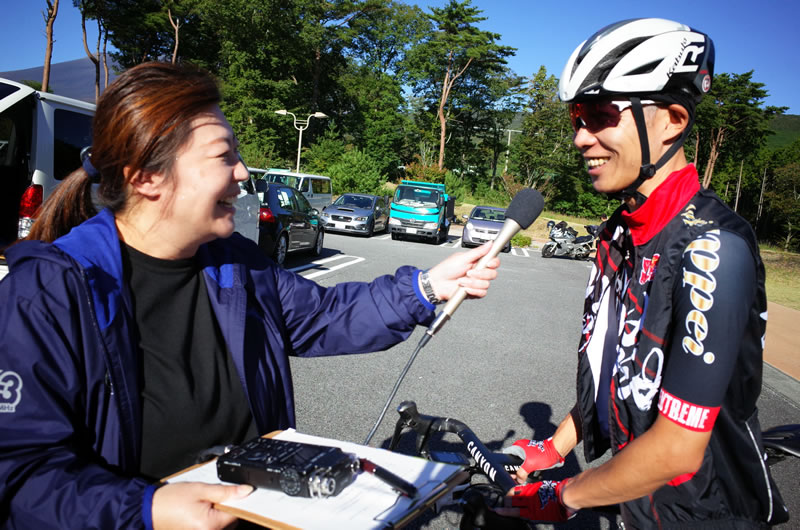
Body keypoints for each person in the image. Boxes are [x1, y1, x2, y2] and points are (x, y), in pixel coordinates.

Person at [0, 61, 501, 530]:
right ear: (145, 177)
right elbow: (20, 474)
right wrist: (146, 508)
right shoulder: (47, 293)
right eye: (224, 156)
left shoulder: (235, 261)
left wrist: (429, 286)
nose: (242, 173)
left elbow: (324, 315)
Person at [500, 18, 789, 528]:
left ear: (673, 120)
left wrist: (565, 494)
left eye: (599, 115)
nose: (580, 139)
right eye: (575, 118)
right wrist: (554, 446)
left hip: (702, 514)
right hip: (637, 506)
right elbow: (626, 378)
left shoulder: (713, 248)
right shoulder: (621, 232)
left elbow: (678, 450)